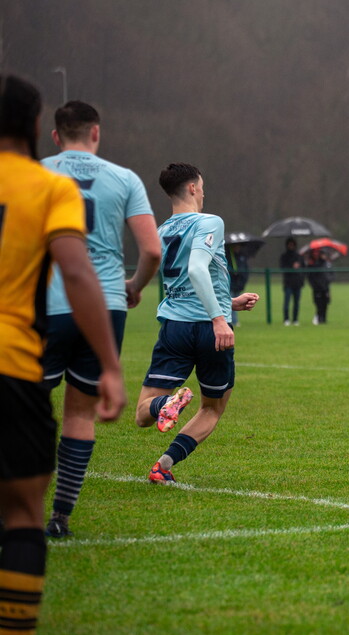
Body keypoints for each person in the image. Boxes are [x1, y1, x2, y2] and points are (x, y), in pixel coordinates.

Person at [0, 74, 125, 635]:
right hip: (13, 365)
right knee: (22, 515)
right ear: (34, 128)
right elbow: (76, 273)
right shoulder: (49, 189)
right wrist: (113, 366)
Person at [40, 100, 161, 539]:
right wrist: (134, 286)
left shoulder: (35, 173)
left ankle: (11, 511)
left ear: (55, 136)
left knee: (22, 411)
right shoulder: (124, 178)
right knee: (80, 415)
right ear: (96, 133)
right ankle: (60, 518)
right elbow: (151, 251)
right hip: (105, 304)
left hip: (46, 302)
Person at [133, 163, 259, 484]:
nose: (203, 193)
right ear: (192, 188)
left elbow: (181, 287)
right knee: (212, 409)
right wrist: (220, 318)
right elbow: (197, 271)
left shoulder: (160, 232)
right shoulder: (210, 222)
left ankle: (165, 412)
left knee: (142, 413)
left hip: (174, 327)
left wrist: (229, 303)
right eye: (201, 187)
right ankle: (164, 463)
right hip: (209, 329)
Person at [303, 246, 333, 324]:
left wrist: (329, 280)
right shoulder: (316, 264)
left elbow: (331, 274)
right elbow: (311, 276)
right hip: (317, 287)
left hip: (326, 287)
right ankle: (319, 317)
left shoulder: (328, 264)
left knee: (325, 303)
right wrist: (314, 284)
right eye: (322, 254)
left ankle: (324, 319)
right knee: (318, 304)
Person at [279, 237, 304, 326]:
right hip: (288, 283)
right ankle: (286, 319)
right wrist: (292, 266)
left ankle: (295, 319)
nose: (291, 246)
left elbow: (303, 268)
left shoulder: (299, 256)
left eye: (293, 245)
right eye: (290, 245)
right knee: (287, 302)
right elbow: (282, 267)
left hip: (297, 283)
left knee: (296, 303)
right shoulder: (284, 256)